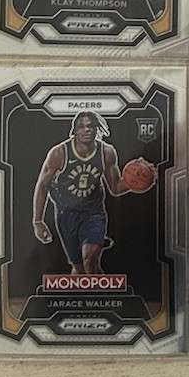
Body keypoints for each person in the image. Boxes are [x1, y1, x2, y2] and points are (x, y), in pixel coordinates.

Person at [31, 112, 133, 270]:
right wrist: (38, 221)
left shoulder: (106, 152)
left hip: (93, 212)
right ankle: (92, 241)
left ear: (96, 128)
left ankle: (94, 239)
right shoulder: (59, 153)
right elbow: (43, 186)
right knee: (79, 267)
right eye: (81, 127)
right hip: (67, 213)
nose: (86, 130)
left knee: (90, 259)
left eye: (90, 126)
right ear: (75, 130)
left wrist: (136, 182)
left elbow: (115, 187)